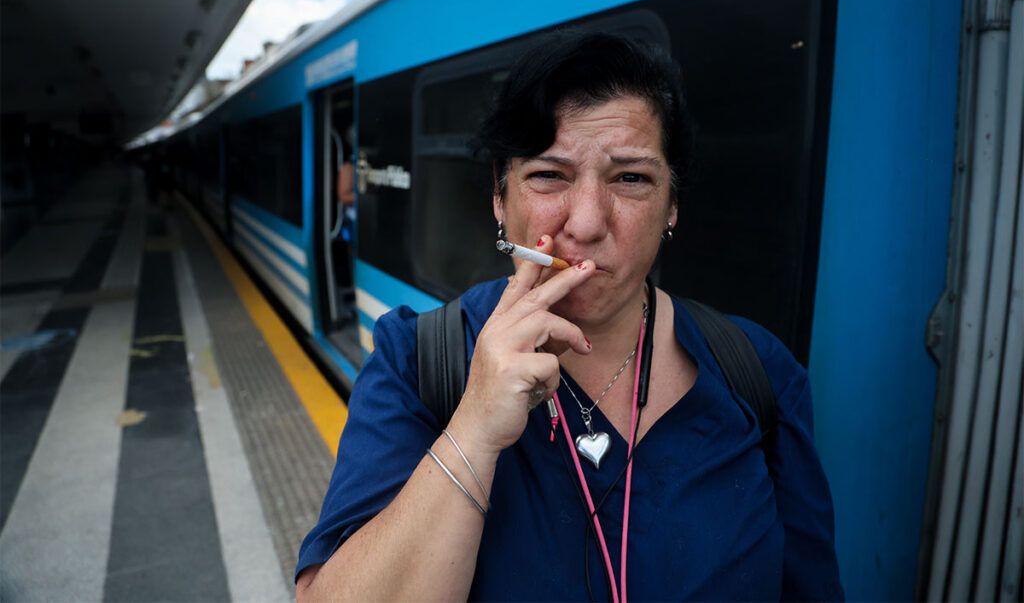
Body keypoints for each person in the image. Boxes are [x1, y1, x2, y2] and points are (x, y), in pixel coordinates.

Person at [295, 31, 844, 601]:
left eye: (631, 178)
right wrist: (475, 427)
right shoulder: (415, 361)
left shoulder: (758, 373)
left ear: (672, 206)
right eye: (548, 175)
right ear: (499, 199)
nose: (585, 225)